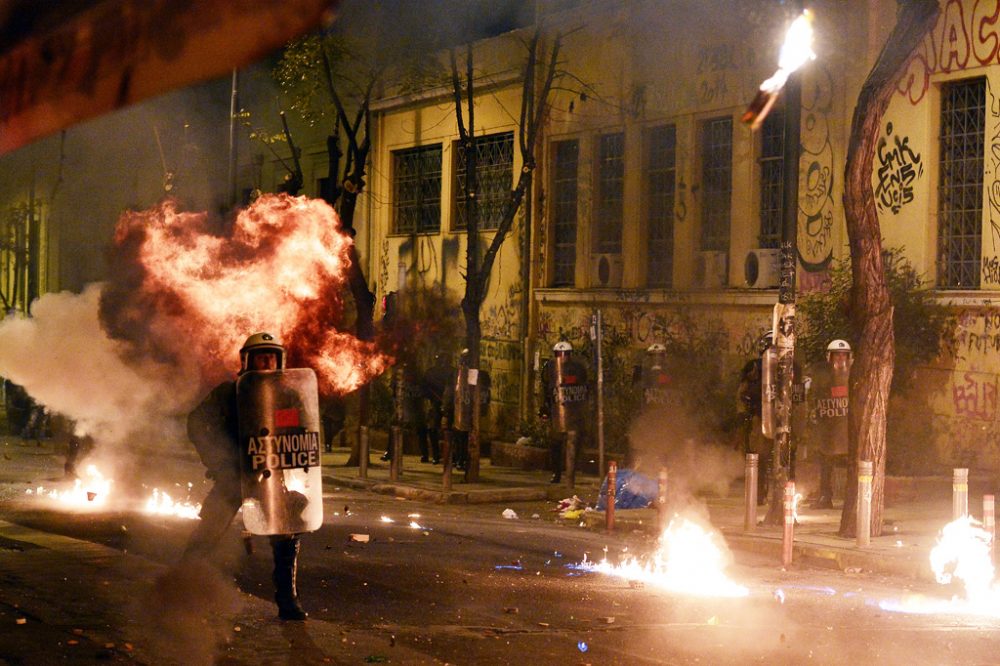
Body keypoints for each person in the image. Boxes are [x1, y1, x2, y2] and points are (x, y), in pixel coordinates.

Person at [182, 332, 308, 621]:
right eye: (260, 357)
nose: (265, 363)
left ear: (280, 361)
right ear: (247, 360)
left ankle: (287, 600)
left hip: (270, 476)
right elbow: (197, 422)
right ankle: (181, 586)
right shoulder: (230, 392)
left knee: (286, 534)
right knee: (209, 530)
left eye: (271, 357)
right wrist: (218, 460)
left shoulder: (286, 395)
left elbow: (301, 431)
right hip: (233, 475)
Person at [809, 339, 852, 509]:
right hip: (829, 428)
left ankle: (853, 498)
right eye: (837, 355)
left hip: (847, 427)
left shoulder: (853, 375)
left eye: (843, 355)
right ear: (830, 357)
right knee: (826, 463)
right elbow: (814, 396)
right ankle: (825, 497)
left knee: (852, 463)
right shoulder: (822, 377)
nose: (840, 358)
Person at [540, 341, 589, 484]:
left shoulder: (577, 369)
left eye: (564, 355)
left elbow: (584, 388)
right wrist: (546, 408)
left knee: (573, 444)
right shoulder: (550, 368)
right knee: (556, 443)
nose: (562, 358)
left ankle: (570, 473)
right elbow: (547, 390)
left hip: (574, 412)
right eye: (558, 355)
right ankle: (556, 473)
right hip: (558, 412)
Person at [737, 331, 773, 504]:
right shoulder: (754, 367)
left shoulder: (788, 366)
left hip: (778, 418)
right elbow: (742, 393)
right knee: (759, 457)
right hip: (760, 417)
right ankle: (758, 494)